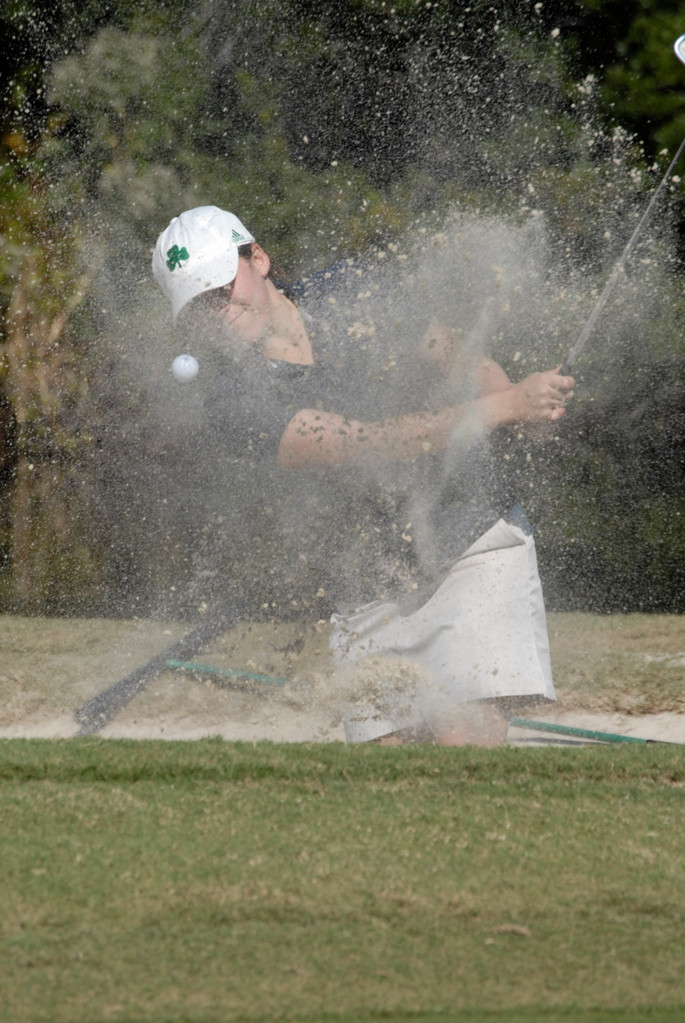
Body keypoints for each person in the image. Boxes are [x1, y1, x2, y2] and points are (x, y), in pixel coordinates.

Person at [152, 205, 574, 746]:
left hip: (470, 547)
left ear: (257, 258)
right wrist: (510, 406)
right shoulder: (233, 404)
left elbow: (459, 361)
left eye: (221, 286)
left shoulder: (351, 290)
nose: (219, 310)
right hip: (368, 588)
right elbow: (373, 445)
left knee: (459, 746)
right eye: (199, 304)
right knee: (383, 780)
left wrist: (520, 406)